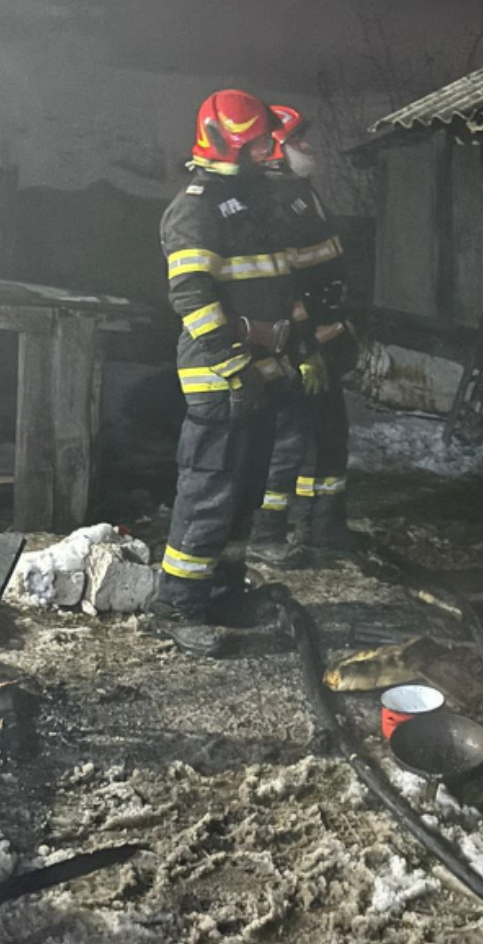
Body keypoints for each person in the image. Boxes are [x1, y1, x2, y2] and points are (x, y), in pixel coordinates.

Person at [151, 90, 345, 623]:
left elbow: (286, 289)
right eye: (256, 143)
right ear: (225, 144)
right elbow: (191, 297)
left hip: (263, 373)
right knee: (209, 492)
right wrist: (234, 365)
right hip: (220, 374)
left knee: (244, 494)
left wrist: (302, 349)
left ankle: (224, 592)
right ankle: (179, 606)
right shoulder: (195, 208)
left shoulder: (258, 202)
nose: (268, 151)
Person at [249, 146, 359, 564]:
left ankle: (323, 527)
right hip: (299, 346)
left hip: (325, 342)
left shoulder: (302, 193)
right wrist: (303, 347)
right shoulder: (272, 199)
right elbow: (285, 286)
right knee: (288, 442)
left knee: (329, 436)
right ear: (276, 147)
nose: (310, 147)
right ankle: (266, 533)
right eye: (298, 139)